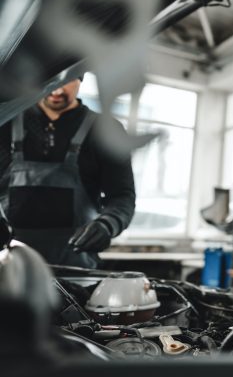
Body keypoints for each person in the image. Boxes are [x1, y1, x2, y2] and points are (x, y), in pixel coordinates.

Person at [0, 76, 135, 268]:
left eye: (67, 80)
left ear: (81, 78)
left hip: (75, 266)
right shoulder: (4, 122)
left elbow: (122, 195)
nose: (57, 91)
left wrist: (108, 223)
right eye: (52, 81)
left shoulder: (106, 130)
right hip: (8, 265)